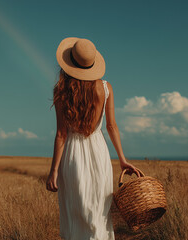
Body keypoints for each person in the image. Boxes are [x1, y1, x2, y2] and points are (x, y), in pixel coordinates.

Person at [46, 37, 139, 240]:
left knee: (76, 210)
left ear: (69, 64)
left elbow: (61, 134)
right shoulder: (105, 88)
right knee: (99, 211)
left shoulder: (60, 92)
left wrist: (53, 171)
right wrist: (122, 159)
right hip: (98, 152)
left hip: (72, 155)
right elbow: (111, 126)